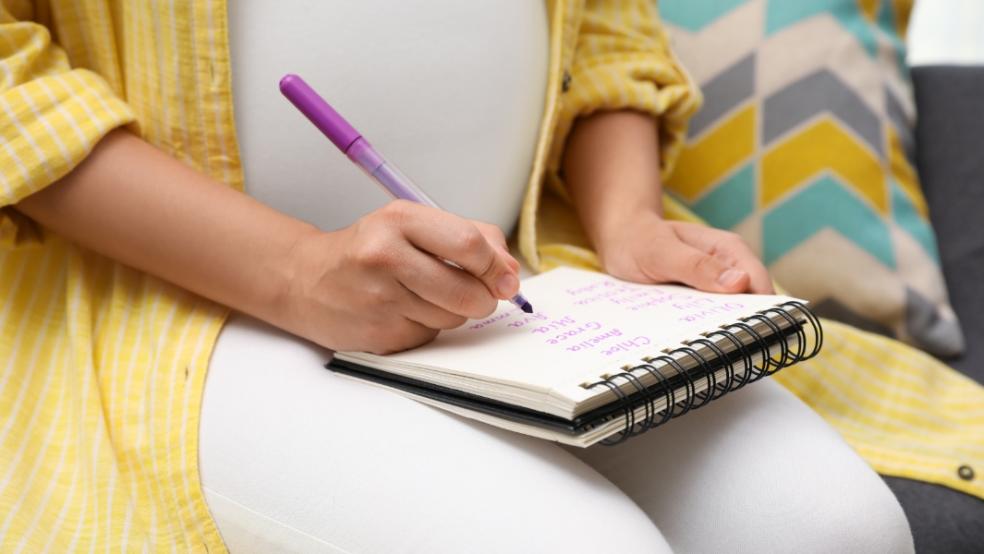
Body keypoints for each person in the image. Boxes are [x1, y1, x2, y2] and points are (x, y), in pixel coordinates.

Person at [1, 0, 912, 551]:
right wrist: (295, 272)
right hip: (189, 302)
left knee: (837, 534)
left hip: (531, 277)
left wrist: (628, 219)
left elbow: (603, 23)